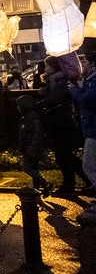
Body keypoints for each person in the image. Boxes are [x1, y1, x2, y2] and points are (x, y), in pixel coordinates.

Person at [38, 55, 91, 194]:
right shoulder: (54, 80)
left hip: (61, 122)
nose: (45, 69)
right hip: (60, 121)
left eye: (48, 66)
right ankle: (84, 181)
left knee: (63, 155)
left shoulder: (59, 80)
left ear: (54, 67)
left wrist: (40, 103)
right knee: (65, 155)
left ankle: (70, 184)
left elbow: (56, 98)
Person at [70, 52, 96, 196]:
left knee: (88, 164)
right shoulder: (88, 80)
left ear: (92, 64)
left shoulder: (94, 81)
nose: (82, 65)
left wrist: (75, 90)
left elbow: (88, 99)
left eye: (84, 62)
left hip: (94, 128)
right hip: (90, 127)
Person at [18, 95, 52, 192]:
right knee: (34, 168)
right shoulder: (28, 116)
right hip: (31, 146)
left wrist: (31, 147)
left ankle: (45, 183)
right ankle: (36, 189)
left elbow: (36, 133)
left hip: (32, 146)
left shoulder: (31, 116)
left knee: (26, 168)